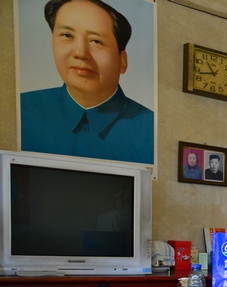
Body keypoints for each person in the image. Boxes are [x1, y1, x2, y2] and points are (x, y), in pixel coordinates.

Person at [20, 0, 154, 165]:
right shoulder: (21, 108)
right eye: (67, 36)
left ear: (122, 61)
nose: (81, 53)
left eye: (96, 41)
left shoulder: (150, 129)